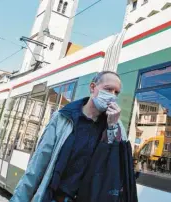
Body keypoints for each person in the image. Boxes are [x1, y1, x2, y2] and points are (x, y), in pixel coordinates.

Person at [10, 71, 132, 202]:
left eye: (116, 92)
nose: (112, 96)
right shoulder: (62, 118)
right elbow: (37, 166)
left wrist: (112, 127)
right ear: (92, 87)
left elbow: (116, 168)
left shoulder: (116, 126)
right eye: (108, 89)